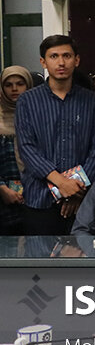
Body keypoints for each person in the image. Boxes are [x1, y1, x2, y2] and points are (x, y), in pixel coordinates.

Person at [15, 35, 95, 235]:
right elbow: (27, 148)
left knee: (83, 254)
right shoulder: (27, 101)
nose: (61, 62)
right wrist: (61, 184)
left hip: (82, 201)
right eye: (54, 56)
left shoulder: (91, 101)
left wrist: (76, 191)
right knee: (40, 254)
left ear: (77, 60)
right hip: (40, 199)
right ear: (43, 62)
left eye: (66, 56)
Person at [0, 66, 33, 236]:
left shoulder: (37, 115)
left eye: (20, 84)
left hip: (36, 194)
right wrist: (2, 188)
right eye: (8, 85)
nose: (14, 89)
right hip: (4, 198)